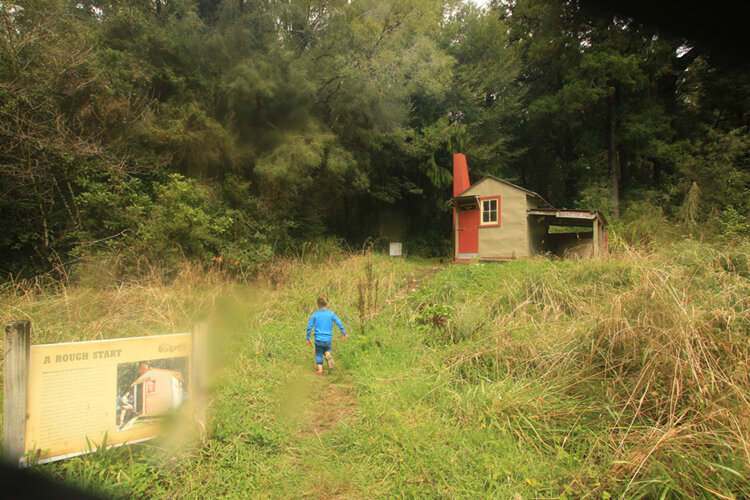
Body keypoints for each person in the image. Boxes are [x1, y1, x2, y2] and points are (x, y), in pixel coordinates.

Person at [306, 295, 347, 375]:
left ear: (317, 304)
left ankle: (320, 370)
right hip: (328, 339)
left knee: (318, 354)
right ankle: (328, 354)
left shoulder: (315, 315)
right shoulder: (331, 314)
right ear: (327, 304)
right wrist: (343, 332)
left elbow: (309, 327)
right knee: (327, 350)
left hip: (318, 339)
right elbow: (339, 323)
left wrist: (308, 337)